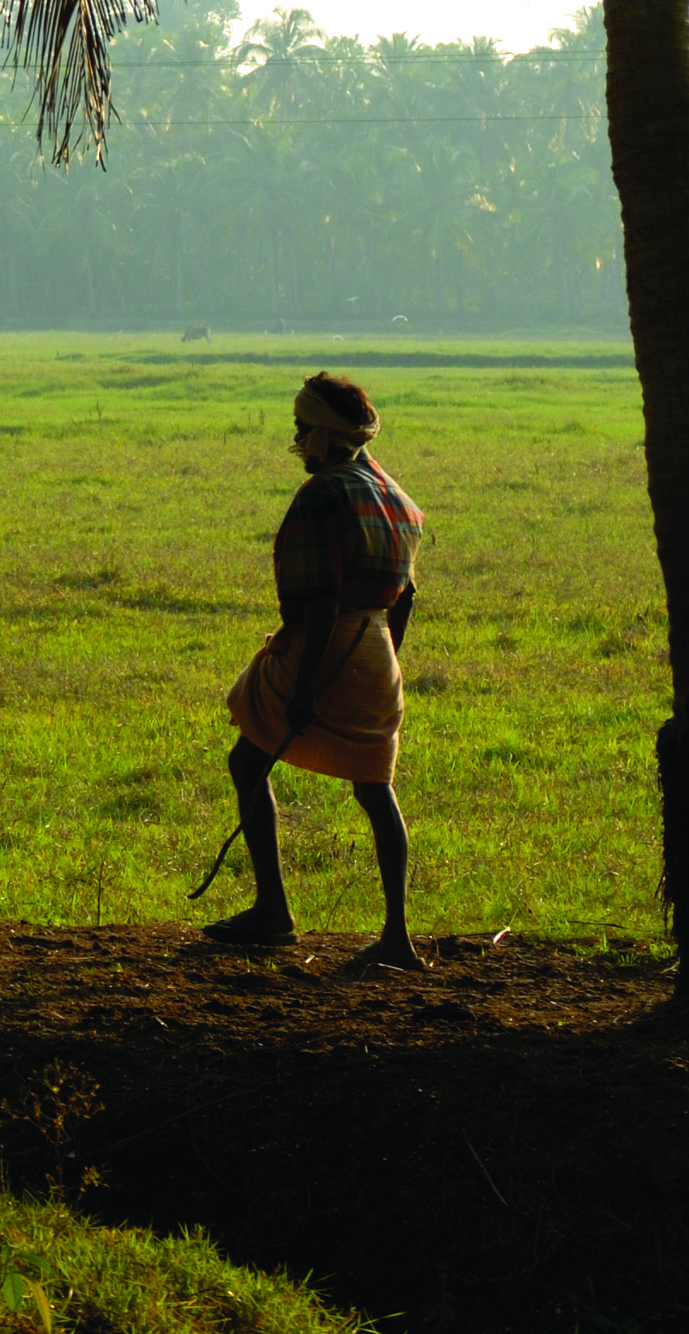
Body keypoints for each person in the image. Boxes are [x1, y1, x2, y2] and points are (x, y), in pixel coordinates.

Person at [206, 372, 428, 969]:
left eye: (304, 430)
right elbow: (405, 597)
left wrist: (306, 688)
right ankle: (397, 937)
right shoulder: (396, 496)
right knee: (376, 788)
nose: (298, 441)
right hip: (376, 649)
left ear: (328, 436)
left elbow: (323, 600)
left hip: (323, 644)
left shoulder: (323, 495)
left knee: (248, 758)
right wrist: (384, 660)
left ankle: (273, 913)